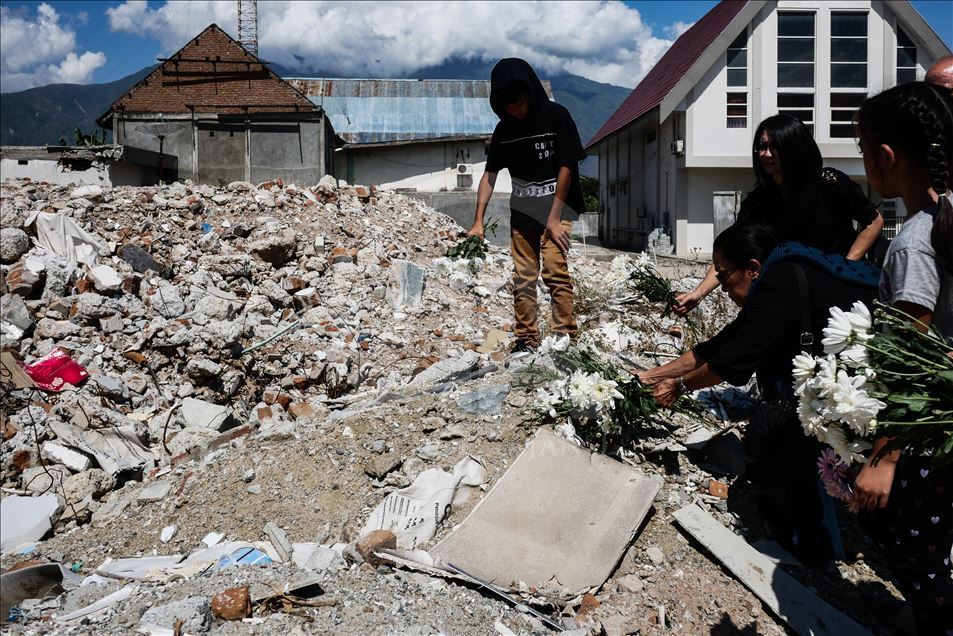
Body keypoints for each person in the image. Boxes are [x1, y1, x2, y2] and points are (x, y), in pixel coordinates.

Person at [638, 223, 879, 564]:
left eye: (723, 276)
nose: (721, 288)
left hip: (863, 379)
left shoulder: (778, 285)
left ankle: (815, 548)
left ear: (752, 268)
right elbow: (720, 345)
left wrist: (680, 387)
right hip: (833, 377)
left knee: (787, 444)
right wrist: (652, 375)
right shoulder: (773, 279)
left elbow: (733, 361)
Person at [851, 80, 952, 635]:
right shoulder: (946, 214)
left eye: (864, 148)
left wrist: (884, 460)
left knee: (916, 549)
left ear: (885, 156)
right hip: (941, 426)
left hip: (928, 434)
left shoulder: (915, 240)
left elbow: (911, 357)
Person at [675, 114, 883, 315]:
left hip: (839, 291)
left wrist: (844, 267)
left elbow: (873, 221)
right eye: (762, 147)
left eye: (774, 147)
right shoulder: (760, 199)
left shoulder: (827, 182)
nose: (766, 154)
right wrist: (698, 293)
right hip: (793, 293)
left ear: (793, 146)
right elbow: (733, 251)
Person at [467, 58, 586, 354]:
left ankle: (565, 338)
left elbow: (567, 166)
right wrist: (478, 222)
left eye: (520, 103)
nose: (516, 111)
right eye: (509, 106)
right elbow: (489, 176)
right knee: (524, 276)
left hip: (559, 207)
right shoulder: (504, 131)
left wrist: (555, 220)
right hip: (523, 212)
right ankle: (527, 338)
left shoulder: (557, 117)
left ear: (531, 93)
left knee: (555, 270)